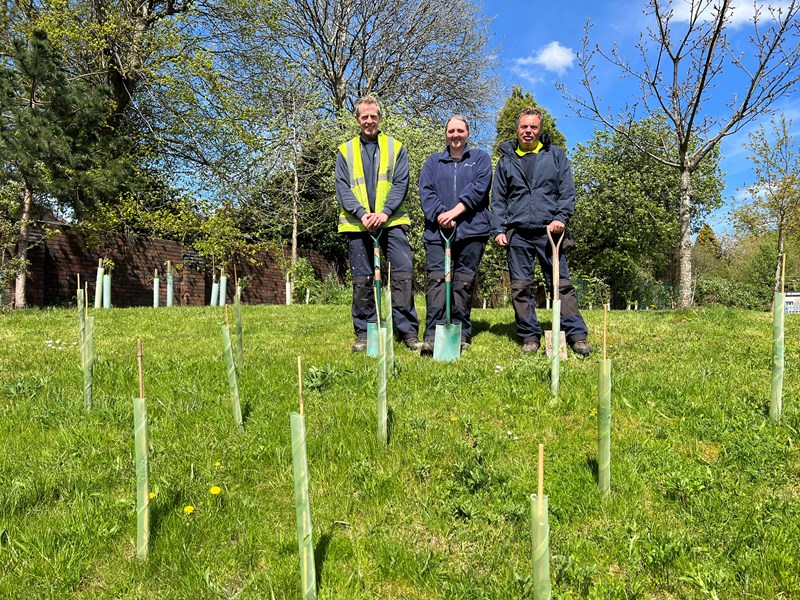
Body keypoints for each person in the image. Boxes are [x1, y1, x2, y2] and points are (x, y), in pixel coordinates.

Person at [491, 107, 591, 356]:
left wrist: (560, 218)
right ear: (517, 129)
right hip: (519, 233)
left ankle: (576, 335)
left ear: (540, 130)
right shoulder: (506, 160)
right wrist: (498, 229)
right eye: (524, 126)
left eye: (533, 127)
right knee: (521, 287)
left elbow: (566, 191)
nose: (528, 131)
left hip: (550, 232)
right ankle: (529, 336)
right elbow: (498, 200)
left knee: (561, 285)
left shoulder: (555, 156)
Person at [335, 95, 422, 352]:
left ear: (380, 118)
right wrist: (362, 213)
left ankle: (407, 332)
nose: (369, 121)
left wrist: (384, 213)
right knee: (362, 280)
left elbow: (400, 183)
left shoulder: (396, 147)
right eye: (365, 117)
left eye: (373, 116)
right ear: (357, 119)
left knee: (403, 275)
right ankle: (365, 333)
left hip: (392, 221)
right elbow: (343, 188)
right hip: (357, 224)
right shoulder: (345, 151)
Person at [418, 116, 492, 354]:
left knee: (462, 283)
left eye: (460, 130)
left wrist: (454, 213)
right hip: (437, 232)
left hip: (471, 231)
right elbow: (426, 191)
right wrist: (441, 215)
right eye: (451, 131)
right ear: (446, 134)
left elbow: (479, 190)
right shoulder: (433, 162)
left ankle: (460, 333)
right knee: (437, 282)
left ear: (468, 133)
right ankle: (433, 334)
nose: (456, 135)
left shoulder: (480, 159)